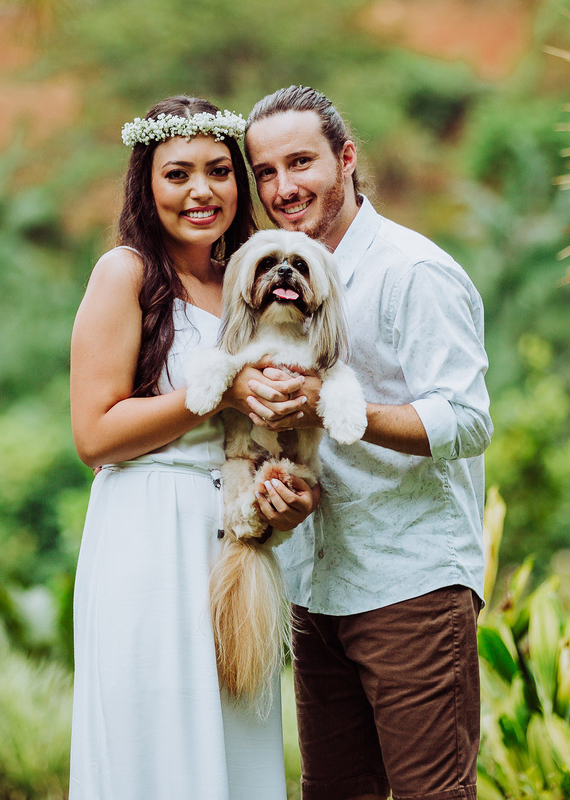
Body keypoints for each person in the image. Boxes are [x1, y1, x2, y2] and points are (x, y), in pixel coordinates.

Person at [233, 86, 493, 800]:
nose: (284, 188)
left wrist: (333, 408)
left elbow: (467, 420)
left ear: (345, 160)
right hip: (315, 590)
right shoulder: (269, 282)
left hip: (409, 586)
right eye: (265, 172)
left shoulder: (414, 272)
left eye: (301, 162)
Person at [67, 95, 316, 800]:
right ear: (146, 185)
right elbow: (93, 435)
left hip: (237, 545)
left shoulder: (250, 276)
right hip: (149, 536)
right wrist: (219, 392)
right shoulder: (126, 273)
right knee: (160, 745)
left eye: (218, 171)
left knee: (235, 748)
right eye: (178, 174)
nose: (202, 191)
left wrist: (284, 493)